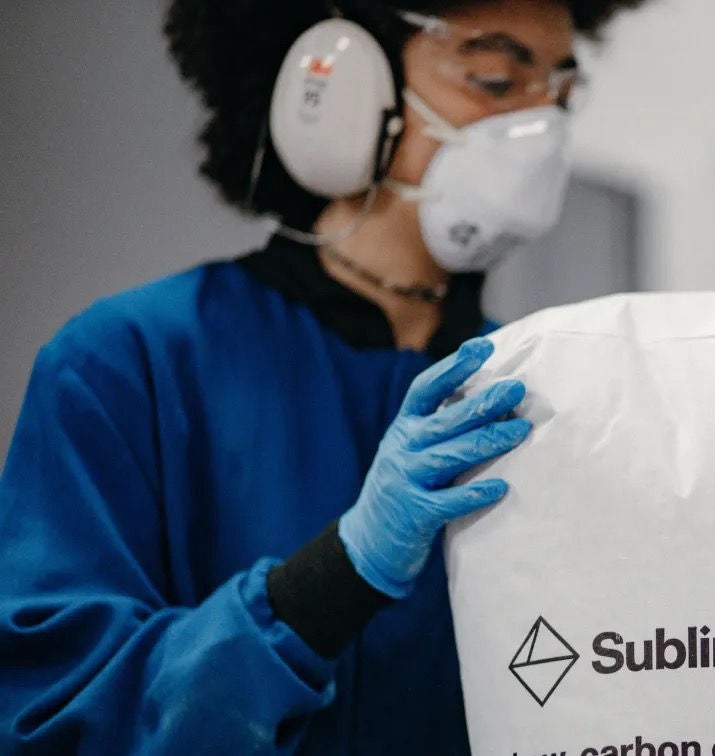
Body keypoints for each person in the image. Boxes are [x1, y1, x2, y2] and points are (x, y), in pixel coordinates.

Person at [0, 0, 647, 752]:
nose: (543, 132)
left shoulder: (539, 390)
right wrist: (335, 579)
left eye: (561, 95)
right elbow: (54, 714)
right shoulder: (127, 364)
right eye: (497, 80)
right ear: (342, 86)